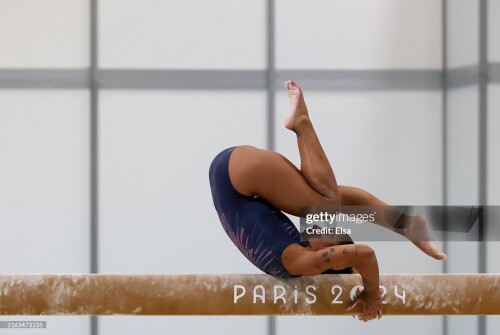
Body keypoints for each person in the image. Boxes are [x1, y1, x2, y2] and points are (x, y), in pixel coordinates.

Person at [209, 80, 447, 322]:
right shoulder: (302, 246)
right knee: (328, 203)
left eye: (329, 233)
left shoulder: (301, 262)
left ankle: (302, 122)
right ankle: (408, 224)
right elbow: (354, 199)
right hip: (235, 175)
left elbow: (364, 254)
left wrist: (372, 294)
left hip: (235, 176)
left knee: (326, 205)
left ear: (326, 256)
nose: (322, 225)